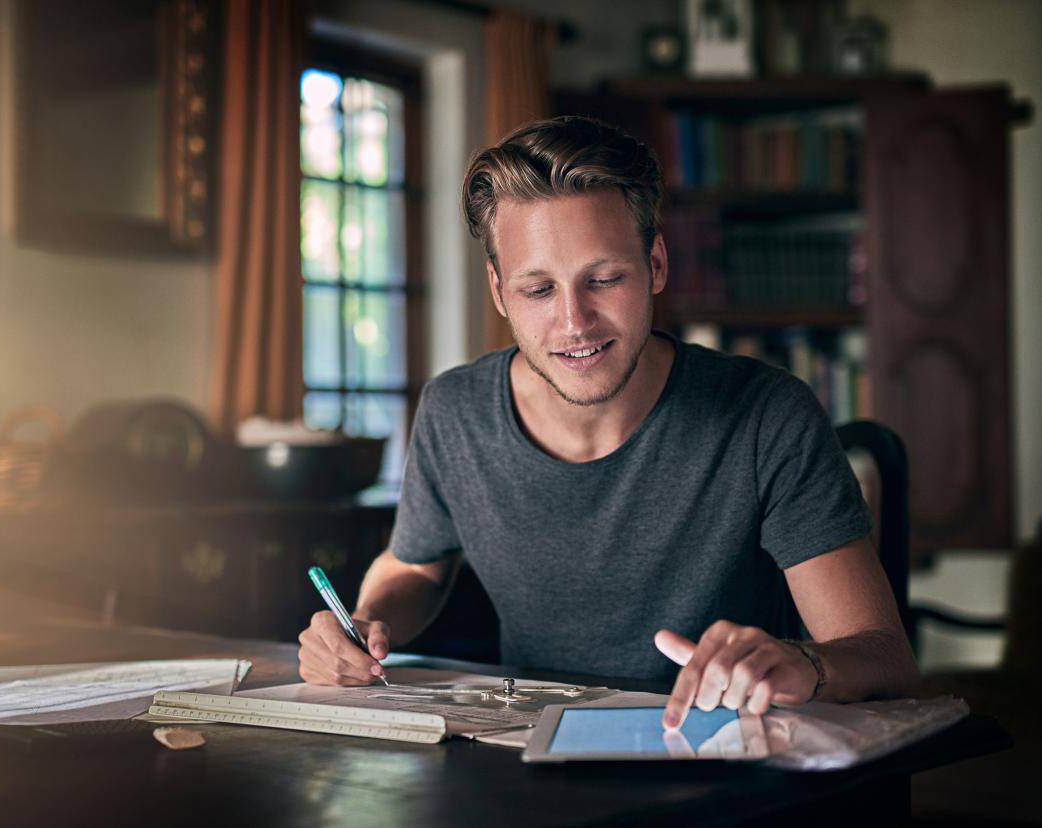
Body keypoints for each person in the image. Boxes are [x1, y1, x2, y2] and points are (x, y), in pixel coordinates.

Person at [298, 115, 918, 728]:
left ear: (654, 265)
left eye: (604, 279)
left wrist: (804, 664)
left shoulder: (766, 414)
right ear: (497, 291)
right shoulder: (453, 411)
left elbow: (884, 654)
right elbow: (412, 566)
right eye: (538, 290)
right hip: (527, 755)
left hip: (721, 758)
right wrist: (360, 627)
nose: (575, 322)